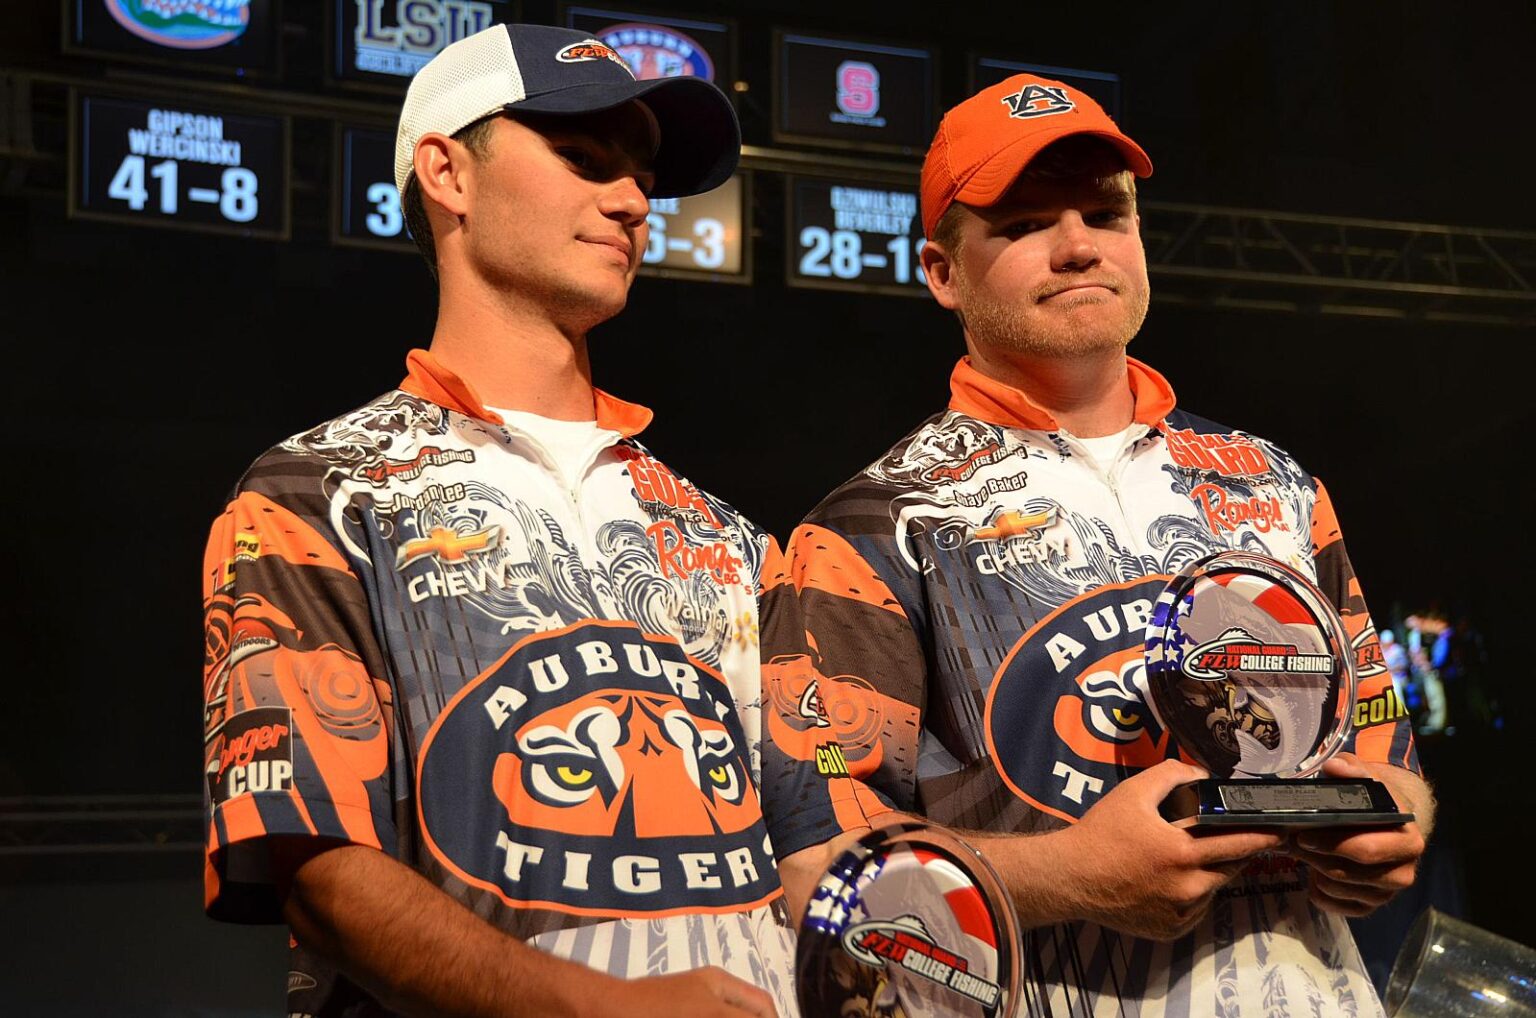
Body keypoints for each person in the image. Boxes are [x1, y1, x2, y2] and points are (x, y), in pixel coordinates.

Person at [766, 74, 1435, 1015]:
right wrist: (1072, 875)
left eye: (1106, 214)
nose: (1079, 245)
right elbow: (822, 868)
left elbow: (1384, 744)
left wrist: (1394, 826)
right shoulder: (870, 525)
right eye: (1026, 223)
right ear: (943, 273)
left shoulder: (1275, 482)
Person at [200, 24, 806, 1018]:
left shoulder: (729, 536)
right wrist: (605, 1008)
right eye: (584, 158)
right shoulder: (313, 498)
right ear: (448, 174)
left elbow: (817, 809)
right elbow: (319, 868)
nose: (633, 201)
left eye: (644, 177)